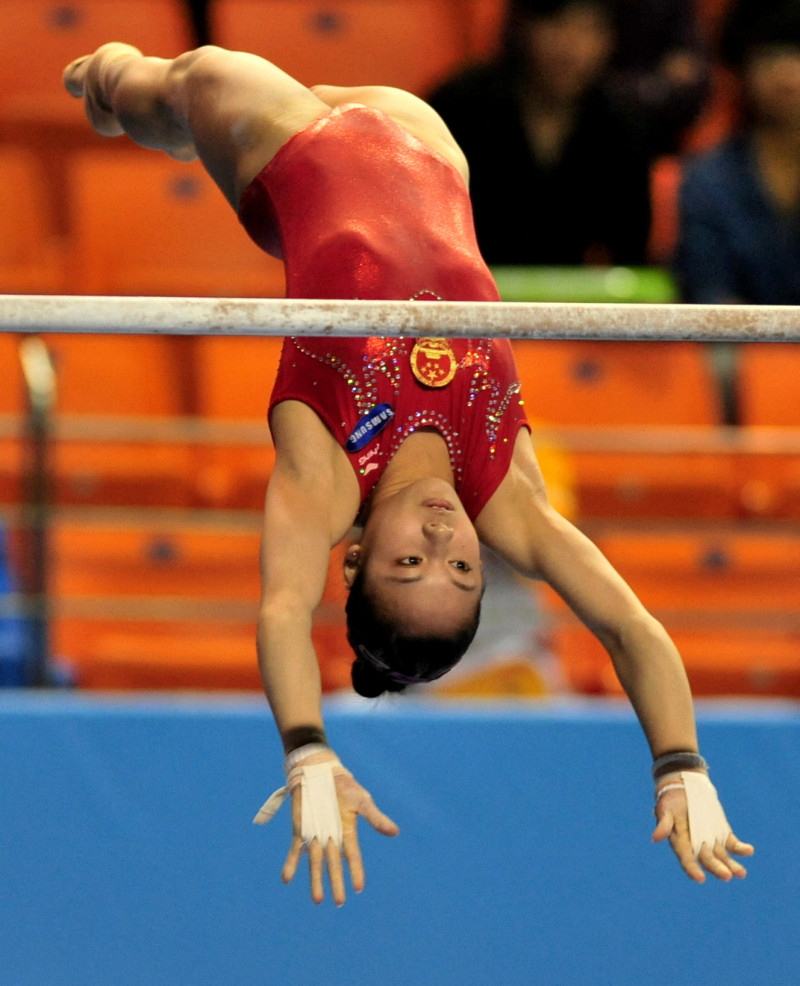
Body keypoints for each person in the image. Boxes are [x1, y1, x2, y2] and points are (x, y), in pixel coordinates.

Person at [64, 42, 753, 905]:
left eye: (407, 564)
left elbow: (281, 609)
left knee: (179, 81)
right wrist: (681, 765)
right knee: (271, 95)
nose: (441, 539)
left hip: (289, 152)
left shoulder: (328, 470)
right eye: (463, 569)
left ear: (350, 560)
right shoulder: (505, 490)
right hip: (429, 150)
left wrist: (309, 747)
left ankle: (107, 87)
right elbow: (630, 628)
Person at [428, 0, 652, 266]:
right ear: (524, 26)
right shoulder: (459, 104)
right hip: (468, 289)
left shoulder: (625, 123)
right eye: (557, 23)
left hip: (574, 299)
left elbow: (630, 250)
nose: (570, 46)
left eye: (589, 28)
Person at [675, 2, 800, 305]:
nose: (784, 74)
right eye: (768, 56)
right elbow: (707, 291)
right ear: (742, 69)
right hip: (737, 349)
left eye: (796, 55)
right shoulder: (708, 179)